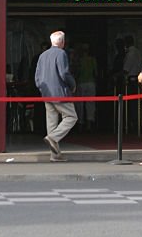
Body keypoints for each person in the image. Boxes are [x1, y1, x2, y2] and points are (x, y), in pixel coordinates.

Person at [34, 30, 77, 162]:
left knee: (51, 121)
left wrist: (41, 89)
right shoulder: (61, 53)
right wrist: (72, 85)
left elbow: (37, 76)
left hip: (46, 93)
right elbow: (64, 73)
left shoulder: (42, 55)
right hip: (60, 92)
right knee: (71, 117)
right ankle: (53, 137)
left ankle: (55, 154)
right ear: (62, 42)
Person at [76, 43, 98, 131]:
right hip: (91, 82)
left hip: (81, 82)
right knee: (90, 103)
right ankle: (89, 122)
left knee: (80, 104)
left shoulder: (80, 60)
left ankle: (80, 122)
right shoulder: (93, 60)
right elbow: (95, 72)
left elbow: (77, 71)